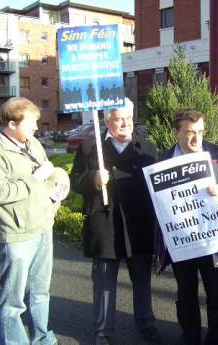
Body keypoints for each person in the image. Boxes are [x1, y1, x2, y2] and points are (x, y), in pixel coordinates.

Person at [70, 98, 160, 345]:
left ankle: (146, 323)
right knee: (104, 283)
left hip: (138, 226)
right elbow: (74, 181)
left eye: (129, 118)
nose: (125, 123)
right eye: (119, 118)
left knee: (142, 280)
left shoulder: (148, 148)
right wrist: (93, 178)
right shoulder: (91, 148)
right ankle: (102, 331)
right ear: (107, 120)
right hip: (105, 224)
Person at [156, 109, 218, 345]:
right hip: (182, 241)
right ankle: (190, 337)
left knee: (217, 295)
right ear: (176, 132)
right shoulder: (162, 162)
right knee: (186, 295)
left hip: (213, 241)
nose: (196, 139)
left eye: (200, 132)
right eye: (189, 133)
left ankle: (216, 339)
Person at [0, 97, 58, 345]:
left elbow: (46, 178)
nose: (36, 128)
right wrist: (34, 179)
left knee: (40, 292)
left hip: (43, 226)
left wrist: (55, 196)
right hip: (17, 234)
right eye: (31, 123)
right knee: (13, 299)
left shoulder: (32, 143)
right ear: (12, 124)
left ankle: (42, 338)